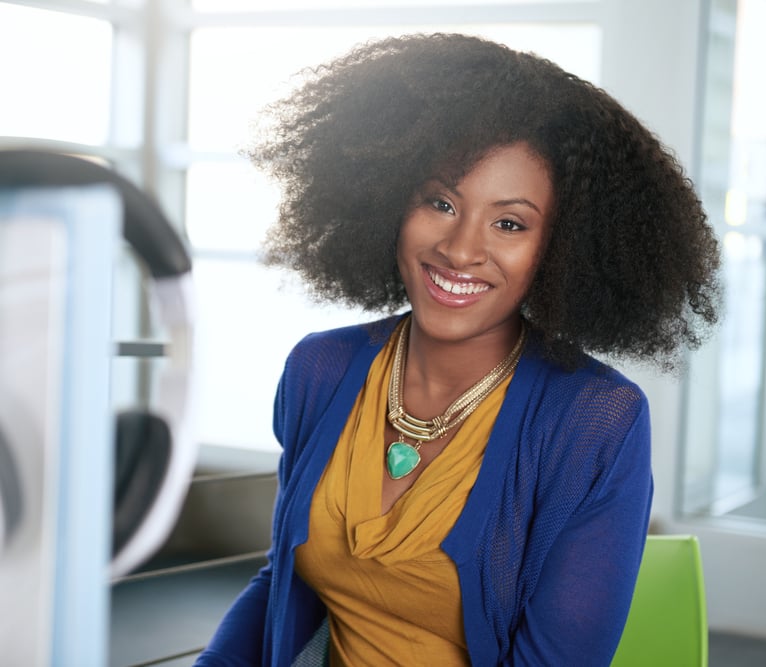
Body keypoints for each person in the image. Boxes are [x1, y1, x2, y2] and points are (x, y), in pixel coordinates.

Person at [196, 33, 720, 667]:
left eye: (509, 223)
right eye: (440, 203)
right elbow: (283, 581)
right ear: (392, 200)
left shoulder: (593, 421)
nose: (460, 249)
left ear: (559, 250)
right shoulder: (320, 370)